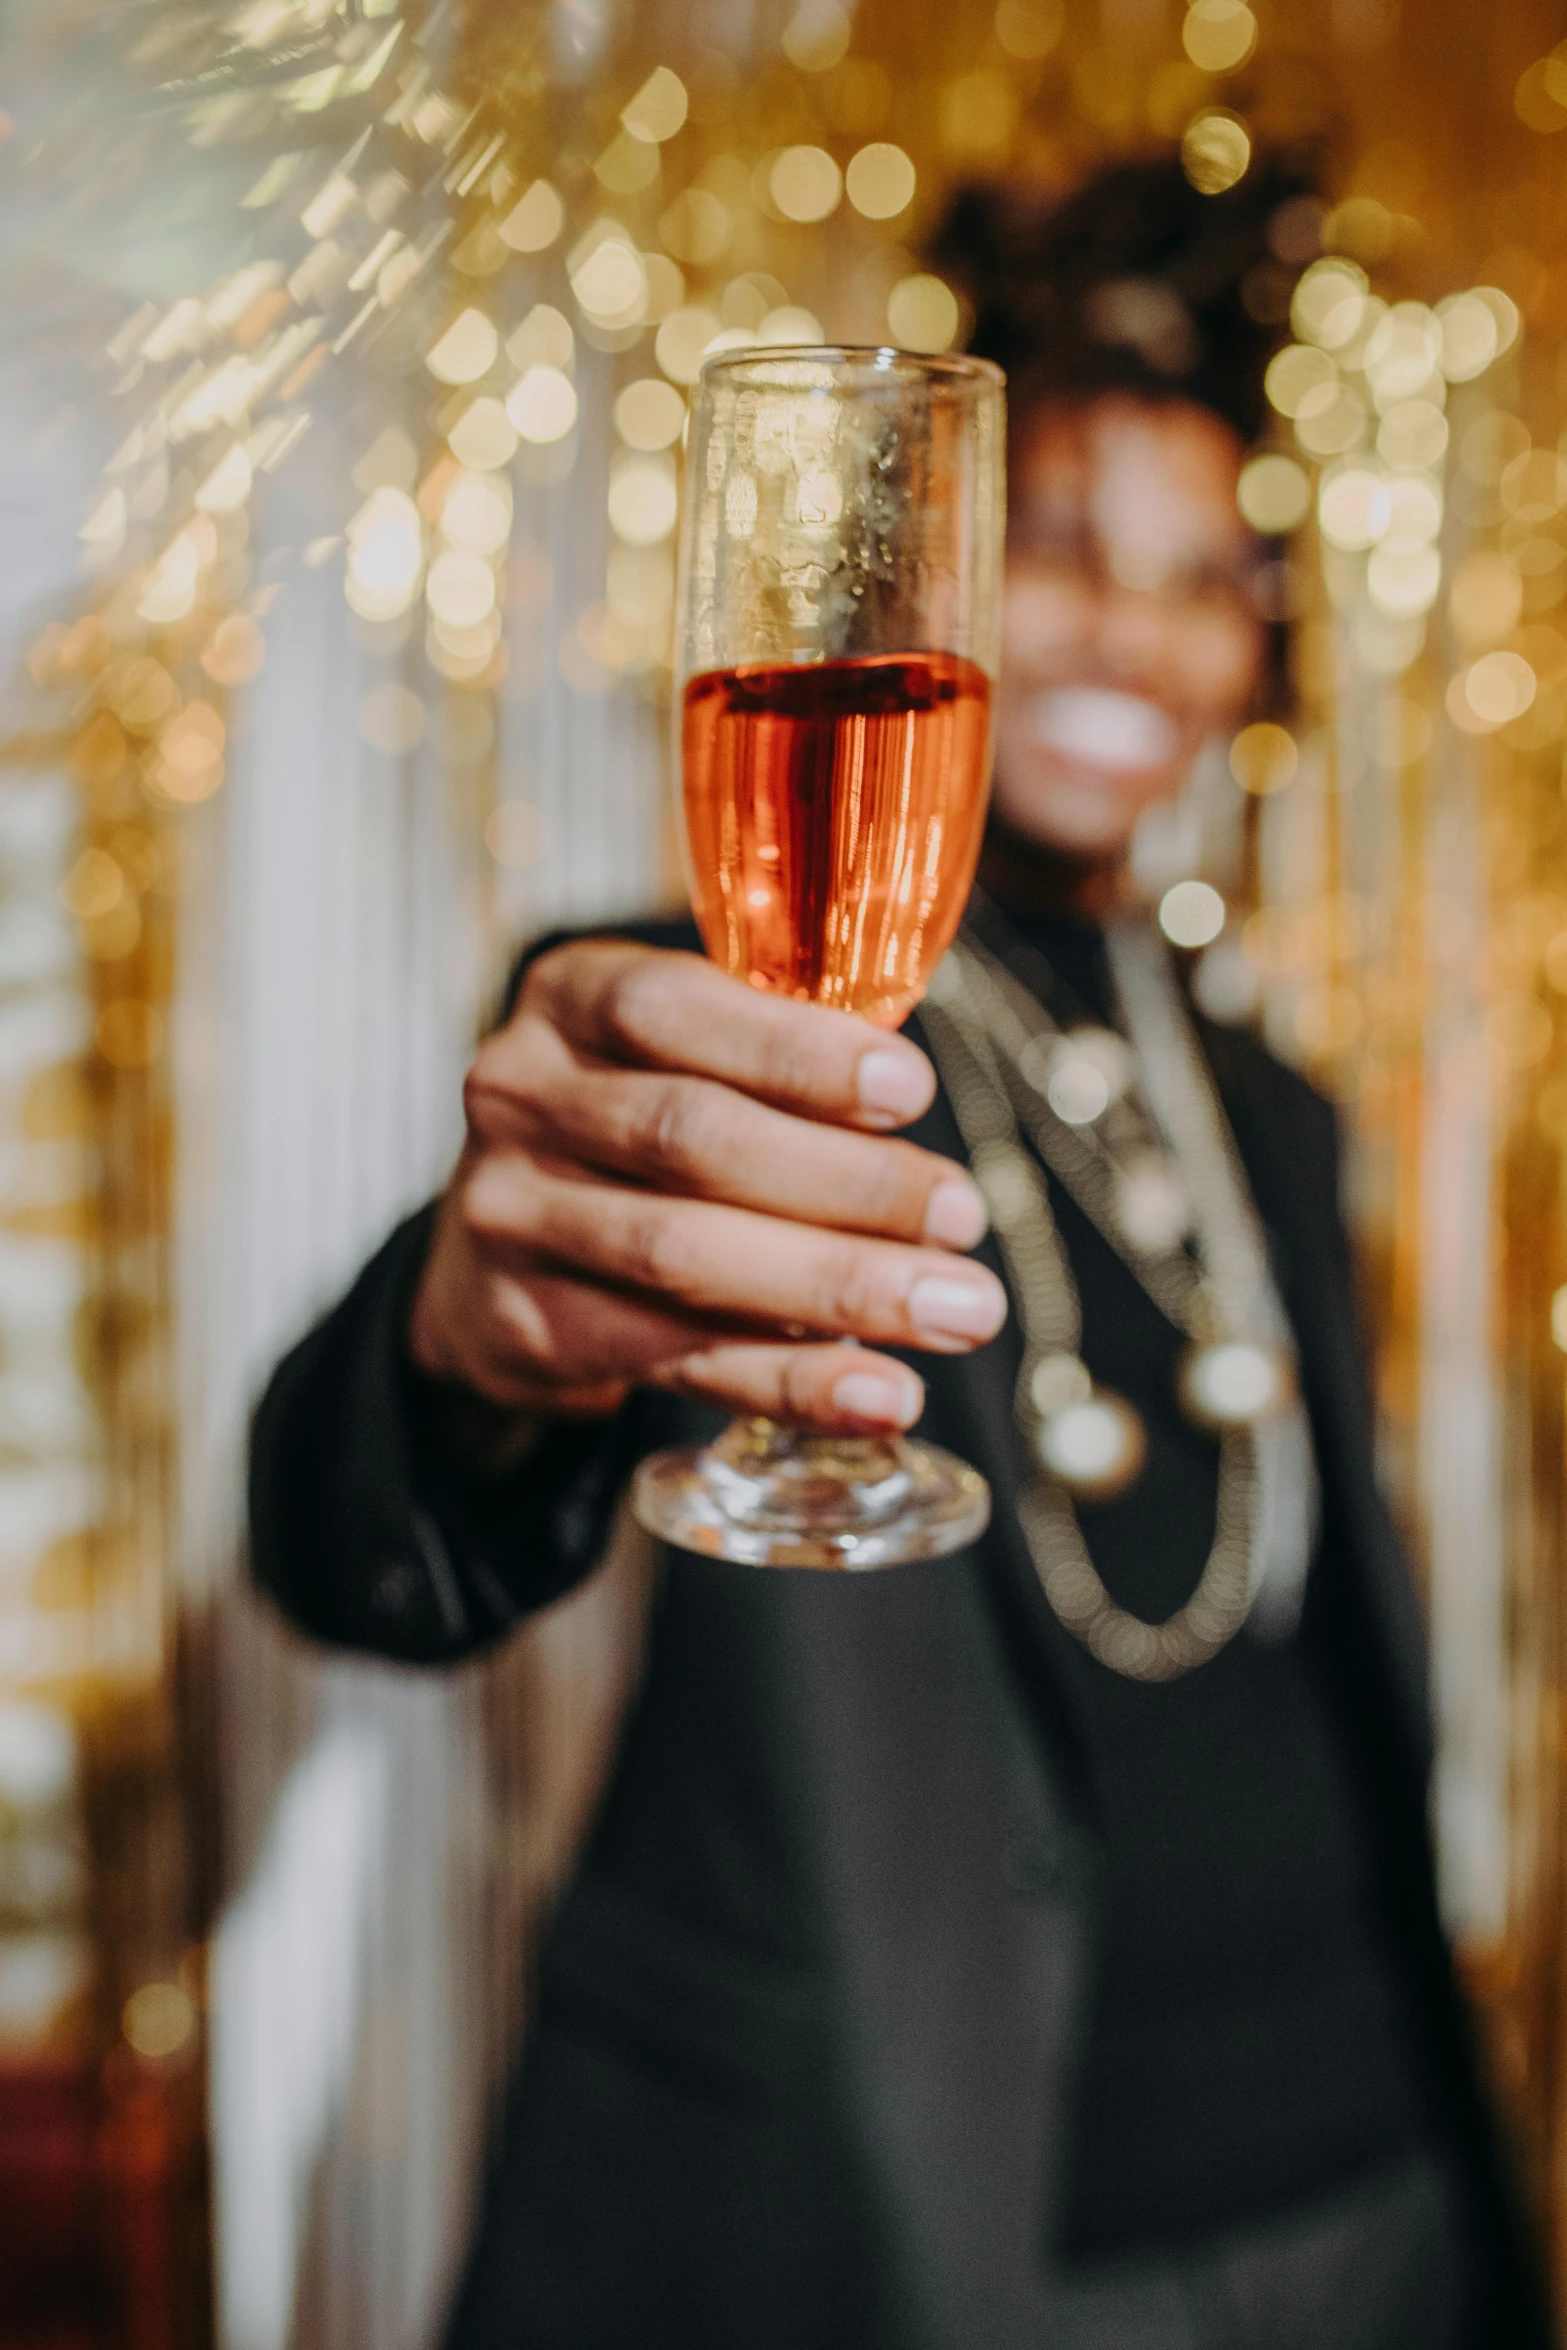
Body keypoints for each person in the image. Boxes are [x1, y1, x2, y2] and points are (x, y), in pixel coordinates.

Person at [249, 155, 1548, 2348]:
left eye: (1198, 570)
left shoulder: (1274, 1105)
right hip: (908, 2220)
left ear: (1263, 639)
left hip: (1377, 2189)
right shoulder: (702, 1021)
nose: (1126, 628)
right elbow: (336, 1532)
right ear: (920, 566)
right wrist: (470, 1349)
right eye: (1052, 547)